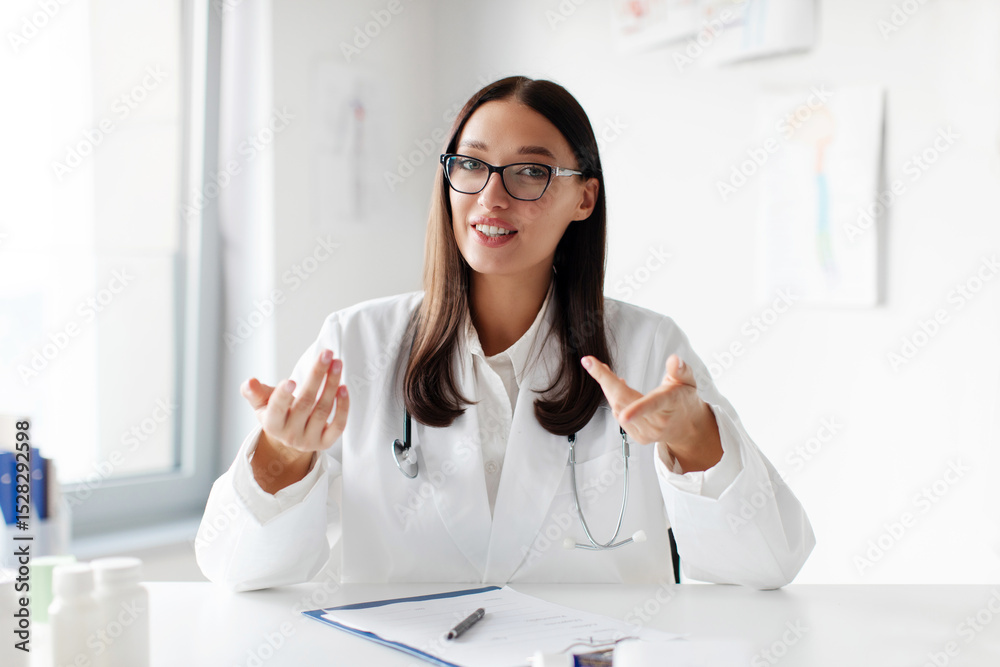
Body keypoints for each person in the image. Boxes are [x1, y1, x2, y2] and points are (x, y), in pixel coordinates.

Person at [195, 76, 815, 591]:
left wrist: (693, 437)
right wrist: (283, 455)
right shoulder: (359, 342)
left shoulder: (647, 348)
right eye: (471, 165)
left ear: (584, 199)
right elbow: (233, 569)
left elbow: (769, 564)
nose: (491, 196)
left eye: (529, 172)